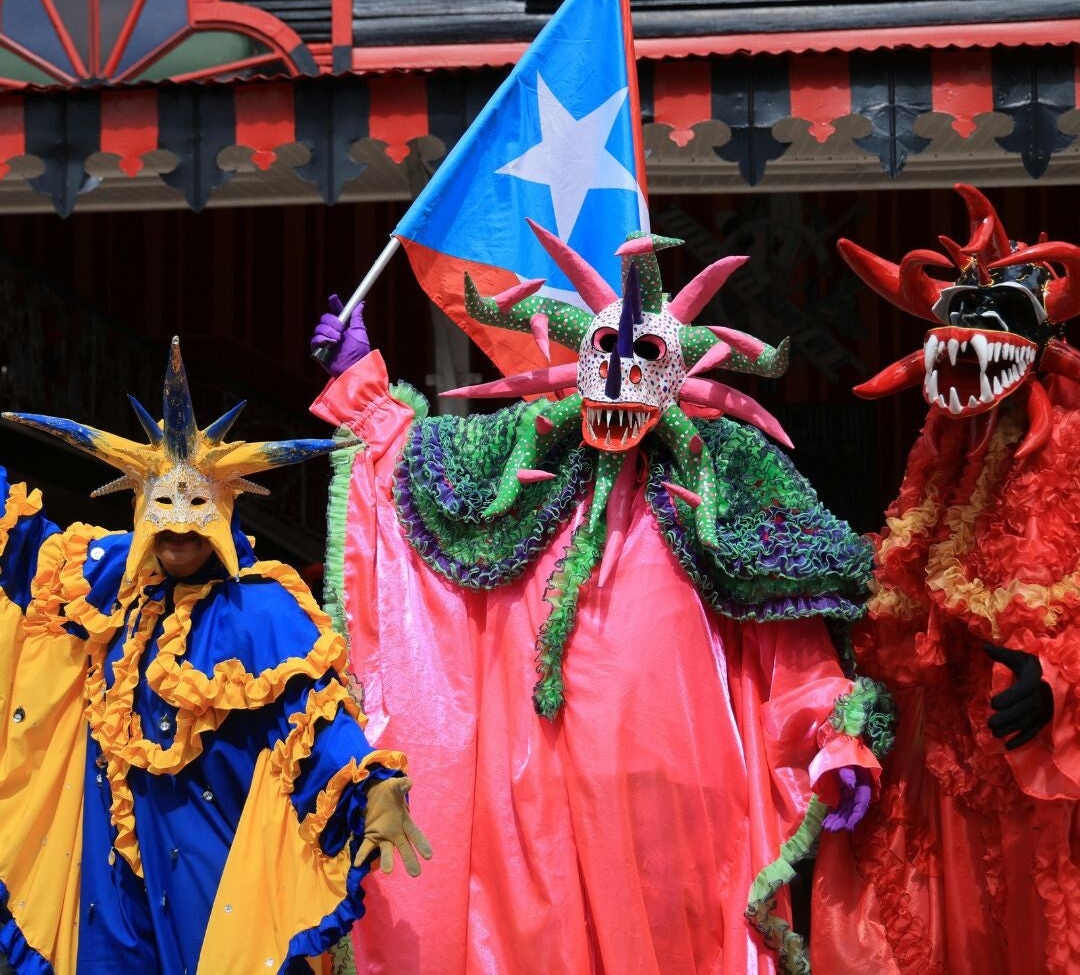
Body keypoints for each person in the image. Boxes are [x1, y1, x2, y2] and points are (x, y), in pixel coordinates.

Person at [311, 222, 888, 974]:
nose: (618, 377)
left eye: (642, 356)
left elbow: (791, 633)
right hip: (532, 802)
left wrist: (835, 737)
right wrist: (361, 388)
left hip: (674, 804)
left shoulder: (728, 484)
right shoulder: (524, 463)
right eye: (604, 354)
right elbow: (415, 477)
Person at [0, 338, 430, 975]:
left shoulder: (261, 612)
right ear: (139, 508)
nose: (179, 526)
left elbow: (316, 719)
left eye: (197, 508)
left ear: (224, 510)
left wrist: (368, 785)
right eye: (164, 510)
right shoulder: (108, 578)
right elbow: (22, 548)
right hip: (109, 880)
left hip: (208, 864)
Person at [812, 185, 1080, 974]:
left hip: (1038, 761)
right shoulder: (940, 456)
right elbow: (907, 593)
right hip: (942, 752)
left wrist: (1062, 684)